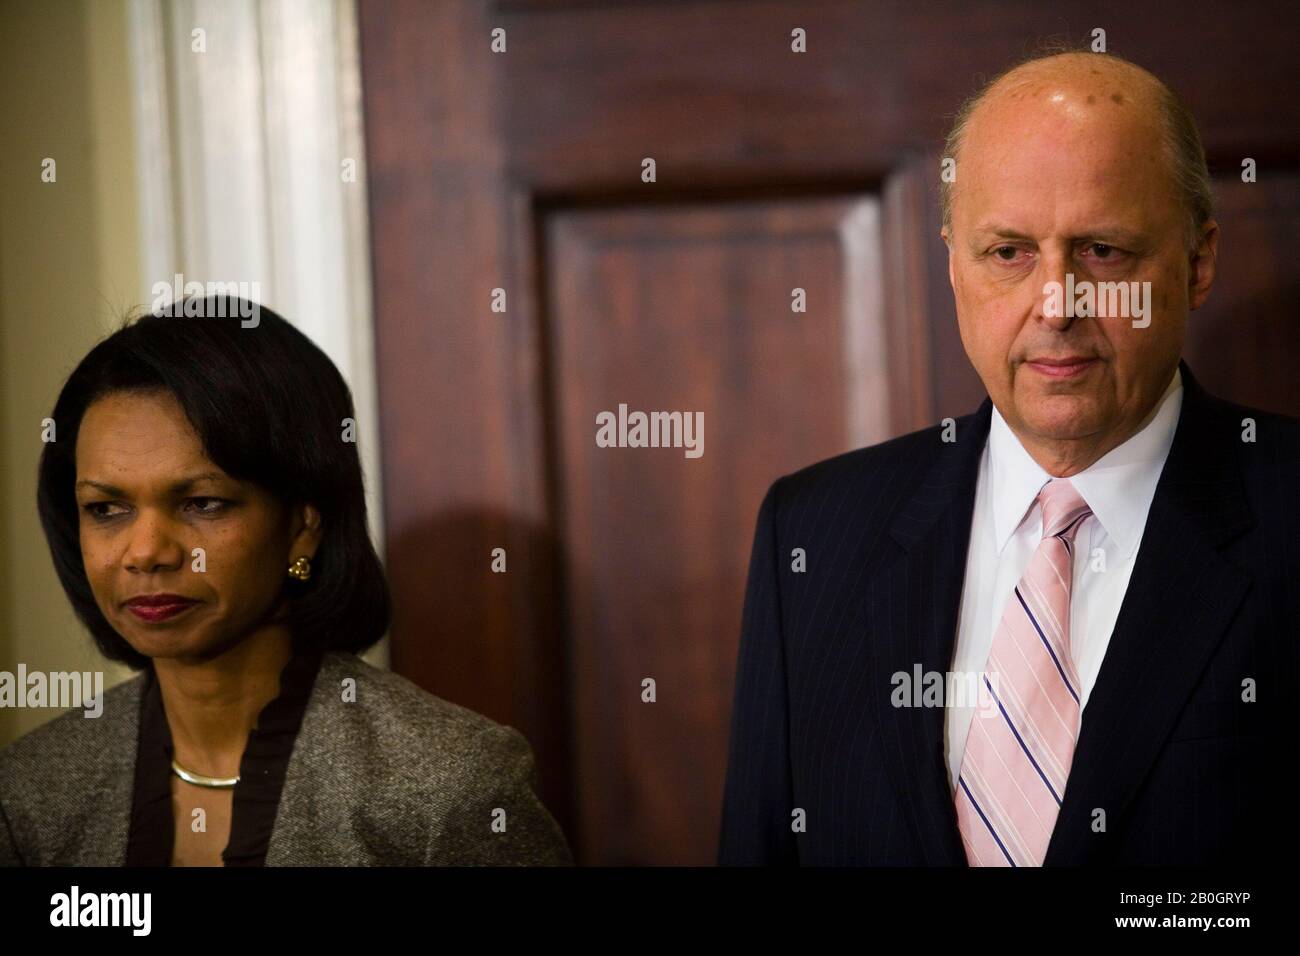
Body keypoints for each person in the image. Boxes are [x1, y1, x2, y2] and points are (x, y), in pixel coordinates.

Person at [719, 49, 1296, 865]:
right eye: (1009, 253)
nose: (1055, 304)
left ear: (1197, 263)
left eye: (1102, 251)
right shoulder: (810, 538)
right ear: (955, 264)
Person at [0, 296, 572, 866]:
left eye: (203, 502)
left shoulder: (447, 787)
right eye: (106, 509)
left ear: (303, 525)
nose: (146, 551)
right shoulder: (31, 793)